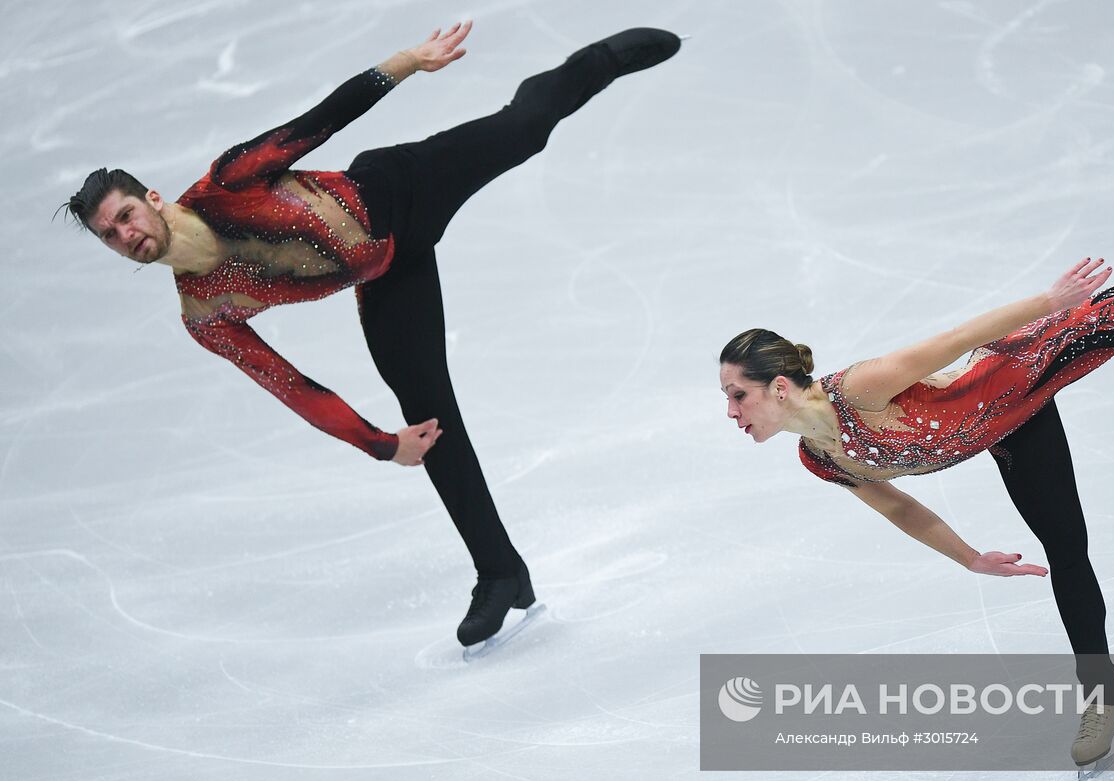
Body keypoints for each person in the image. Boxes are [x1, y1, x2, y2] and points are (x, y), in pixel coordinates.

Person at [63, 22, 682, 649]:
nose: (125, 234)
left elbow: (319, 120)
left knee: (524, 130)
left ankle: (599, 60)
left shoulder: (228, 183)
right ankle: (500, 573)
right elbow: (290, 385)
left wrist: (407, 62)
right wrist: (382, 445)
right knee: (430, 421)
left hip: (400, 188)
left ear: (152, 199)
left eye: (125, 215)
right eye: (109, 236)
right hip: (386, 272)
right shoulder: (205, 313)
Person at [718, 163, 1114, 765]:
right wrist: (969, 557)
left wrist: (1050, 302)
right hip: (1011, 429)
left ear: (777, 387)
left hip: (1031, 362)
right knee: (1067, 549)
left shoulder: (861, 388)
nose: (731, 411)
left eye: (736, 395)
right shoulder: (822, 458)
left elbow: (957, 340)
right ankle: (1108, 700)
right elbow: (899, 506)